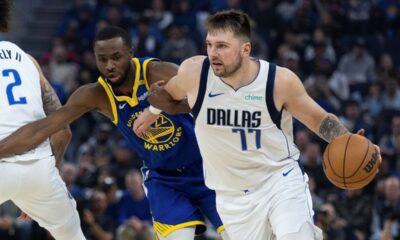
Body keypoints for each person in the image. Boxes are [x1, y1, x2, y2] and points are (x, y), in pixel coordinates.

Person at [134, 9, 383, 240]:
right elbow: (169, 93)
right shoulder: (195, 72)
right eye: (209, 44)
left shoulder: (278, 81)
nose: (213, 53)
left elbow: (320, 120)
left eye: (222, 46)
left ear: (245, 49)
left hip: (279, 181)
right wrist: (152, 111)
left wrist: (354, 142)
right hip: (230, 198)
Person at [0, 25, 228, 240]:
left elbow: (207, 101)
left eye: (116, 57)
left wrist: (158, 108)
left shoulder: (156, 72)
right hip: (164, 178)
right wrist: (47, 169)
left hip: (206, 167)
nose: (109, 65)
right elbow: (45, 128)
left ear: (130, 52)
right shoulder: (95, 94)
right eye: (102, 59)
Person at [0, 0, 85, 239]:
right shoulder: (28, 60)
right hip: (39, 169)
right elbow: (63, 129)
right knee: (72, 234)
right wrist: (53, 172)